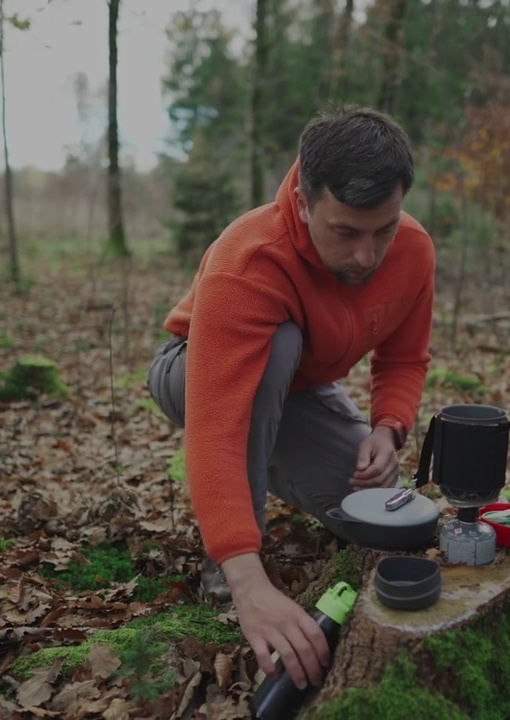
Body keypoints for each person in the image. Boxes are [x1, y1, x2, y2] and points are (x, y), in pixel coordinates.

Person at [146, 105, 435, 692]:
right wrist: (247, 578)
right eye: (346, 232)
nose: (366, 255)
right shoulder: (248, 261)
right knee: (277, 347)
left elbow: (403, 358)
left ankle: (285, 464)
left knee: (375, 511)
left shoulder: (413, 251)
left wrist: (387, 427)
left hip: (302, 387)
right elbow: (217, 429)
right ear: (304, 202)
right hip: (193, 370)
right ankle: (228, 568)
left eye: (383, 230)